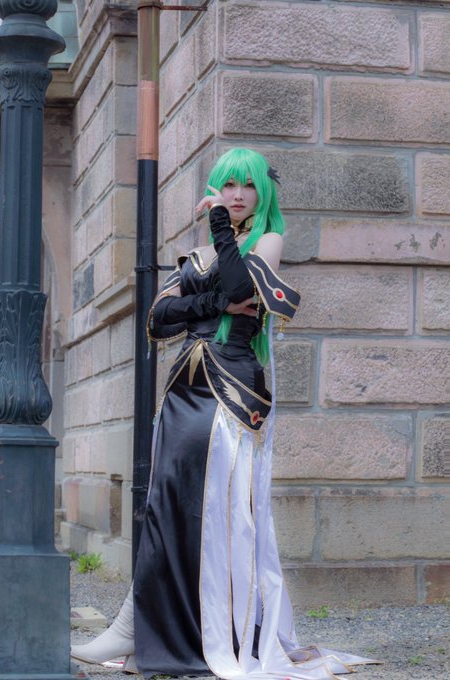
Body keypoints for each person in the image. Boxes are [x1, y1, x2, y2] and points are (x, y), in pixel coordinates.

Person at [71, 148, 375, 679]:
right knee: (165, 507)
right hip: (182, 392)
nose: (236, 195)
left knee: (216, 513)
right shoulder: (197, 255)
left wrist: (217, 231)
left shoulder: (268, 241)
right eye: (227, 185)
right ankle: (134, 628)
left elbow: (238, 287)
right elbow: (159, 319)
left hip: (231, 391)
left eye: (247, 186)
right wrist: (212, 303)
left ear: (262, 192)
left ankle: (208, 631)